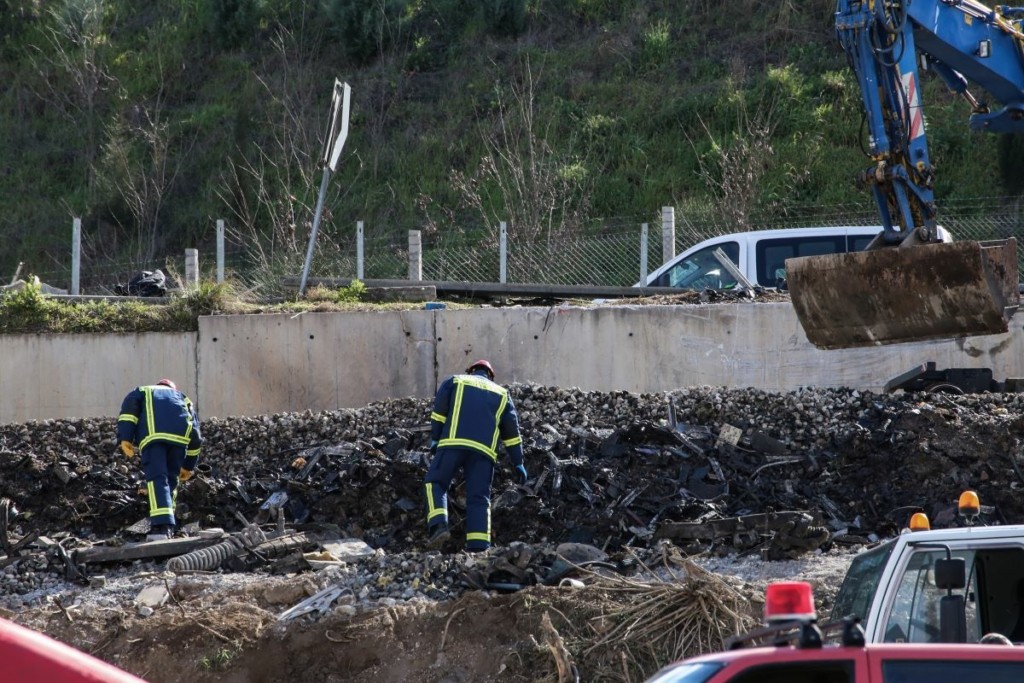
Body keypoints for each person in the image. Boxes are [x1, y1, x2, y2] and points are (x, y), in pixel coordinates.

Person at [424, 359, 526, 552]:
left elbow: (439, 413)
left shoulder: (455, 381)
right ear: (490, 375)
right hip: (483, 453)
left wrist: (436, 438)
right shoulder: (503, 394)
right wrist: (518, 462)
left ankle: (439, 526)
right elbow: (512, 434)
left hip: (453, 444)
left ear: (471, 371)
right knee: (479, 499)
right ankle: (479, 548)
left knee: (435, 483)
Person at [117, 379, 203, 541]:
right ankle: (169, 523)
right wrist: (188, 465)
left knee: (157, 478)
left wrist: (125, 437)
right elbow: (196, 435)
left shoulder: (143, 390)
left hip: (154, 437)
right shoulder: (183, 398)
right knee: (171, 479)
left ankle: (161, 527)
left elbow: (129, 410)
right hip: (179, 441)